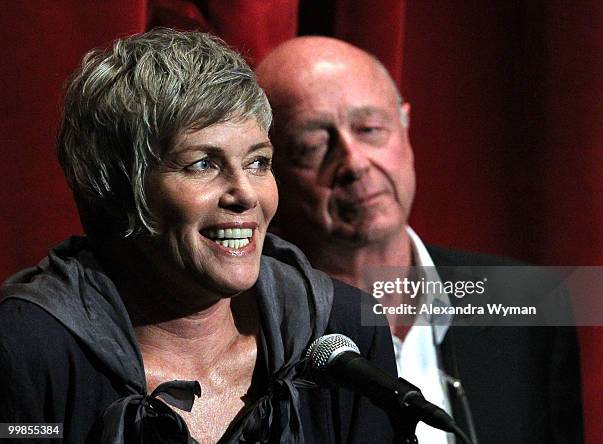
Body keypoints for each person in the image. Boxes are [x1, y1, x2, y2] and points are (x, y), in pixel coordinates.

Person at [0, 29, 397, 443]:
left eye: (258, 162)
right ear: (113, 190)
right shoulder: (27, 350)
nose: (245, 194)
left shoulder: (343, 331)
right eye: (202, 164)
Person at [256, 37, 583, 443]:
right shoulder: (245, 328)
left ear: (405, 125)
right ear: (266, 172)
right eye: (313, 146)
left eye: (370, 128)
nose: (354, 163)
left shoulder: (533, 300)